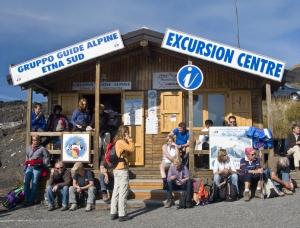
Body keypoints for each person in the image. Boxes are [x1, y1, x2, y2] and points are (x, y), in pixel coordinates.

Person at [110, 125, 135, 222]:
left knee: (116, 191)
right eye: (127, 132)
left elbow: (126, 152)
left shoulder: (116, 141)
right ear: (124, 132)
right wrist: (130, 139)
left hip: (116, 169)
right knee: (123, 192)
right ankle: (122, 214)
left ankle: (113, 212)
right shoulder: (121, 142)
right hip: (122, 170)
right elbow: (132, 148)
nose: (128, 134)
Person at [24, 135, 50, 206]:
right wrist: (25, 167)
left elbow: (47, 158)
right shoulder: (28, 148)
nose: (34, 141)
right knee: (26, 183)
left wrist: (42, 163)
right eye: (33, 140)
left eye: (36, 140)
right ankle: (26, 199)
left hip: (37, 168)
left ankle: (31, 200)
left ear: (39, 141)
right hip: (29, 167)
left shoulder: (42, 149)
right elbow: (27, 158)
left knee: (34, 183)